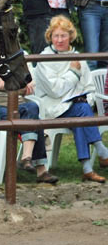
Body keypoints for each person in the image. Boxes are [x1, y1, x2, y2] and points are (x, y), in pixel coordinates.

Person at [34, 15, 108, 183]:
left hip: (77, 108)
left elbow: (89, 87)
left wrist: (84, 99)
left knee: (81, 110)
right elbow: (55, 91)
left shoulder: (77, 56)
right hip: (53, 108)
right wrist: (74, 73)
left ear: (70, 36)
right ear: (50, 37)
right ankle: (101, 151)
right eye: (56, 36)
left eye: (63, 36)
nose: (59, 40)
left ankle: (88, 169)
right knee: (82, 111)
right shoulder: (43, 58)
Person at [0, 70, 59, 184]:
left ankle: (27, 157)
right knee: (34, 120)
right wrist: (22, 87)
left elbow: (32, 81)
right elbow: (0, 84)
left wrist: (22, 85)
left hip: (16, 105)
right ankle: (40, 169)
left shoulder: (19, 58)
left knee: (32, 108)